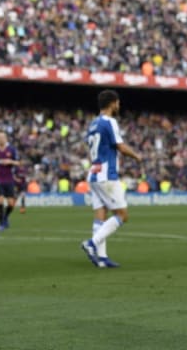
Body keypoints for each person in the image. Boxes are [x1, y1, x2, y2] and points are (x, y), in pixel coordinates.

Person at [80, 90, 142, 268]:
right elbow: (120, 147)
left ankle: (102, 258)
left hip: (94, 173)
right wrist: (136, 156)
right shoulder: (109, 121)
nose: (119, 105)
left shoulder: (93, 123)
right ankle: (91, 243)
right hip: (107, 175)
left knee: (100, 216)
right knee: (122, 215)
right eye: (118, 102)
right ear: (112, 103)